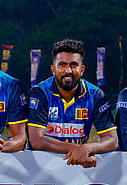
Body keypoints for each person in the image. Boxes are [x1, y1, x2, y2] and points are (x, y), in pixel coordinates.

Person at [27, 39, 118, 167]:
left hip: (75, 166)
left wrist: (87, 149)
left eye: (74, 65)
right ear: (53, 69)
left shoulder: (95, 95)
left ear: (82, 69)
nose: (68, 70)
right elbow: (36, 140)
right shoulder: (40, 93)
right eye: (62, 65)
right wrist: (78, 149)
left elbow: (112, 140)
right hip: (41, 166)